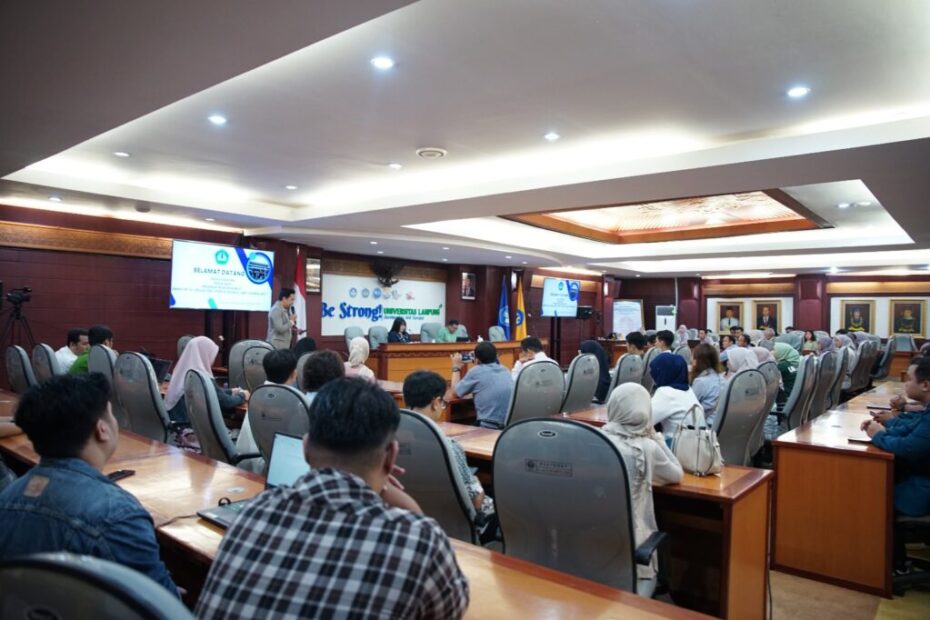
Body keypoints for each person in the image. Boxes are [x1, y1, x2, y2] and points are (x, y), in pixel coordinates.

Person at [196, 378, 470, 619]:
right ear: (390, 457)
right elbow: (449, 610)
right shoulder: (416, 541)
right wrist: (397, 496)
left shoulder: (253, 513)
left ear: (305, 449)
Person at [0, 373, 178, 594]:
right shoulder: (118, 513)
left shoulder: (8, 496)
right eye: (112, 415)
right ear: (102, 429)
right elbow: (159, 602)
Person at [601, 383, 683, 580]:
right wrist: (656, 437)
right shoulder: (646, 448)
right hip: (631, 552)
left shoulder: (594, 440)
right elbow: (677, 474)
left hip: (590, 550)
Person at [403, 371, 496, 535]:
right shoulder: (448, 446)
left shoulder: (390, 439)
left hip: (411, 520)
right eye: (443, 403)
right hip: (454, 528)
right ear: (435, 403)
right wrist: (476, 483)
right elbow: (475, 498)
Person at [861, 357, 930, 572]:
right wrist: (885, 429)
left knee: (875, 497)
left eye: (909, 379)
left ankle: (897, 565)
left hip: (924, 489)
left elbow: (909, 447)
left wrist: (878, 436)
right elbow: (912, 429)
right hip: (920, 476)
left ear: (925, 385)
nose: (905, 384)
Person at [236, 348, 299, 473]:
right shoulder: (292, 400)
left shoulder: (258, 394)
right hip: (271, 468)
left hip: (245, 463)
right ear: (293, 373)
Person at [164, 336, 247, 427]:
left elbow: (212, 393)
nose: (213, 359)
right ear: (204, 354)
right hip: (190, 429)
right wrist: (243, 395)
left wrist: (231, 391)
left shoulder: (182, 371)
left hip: (176, 425)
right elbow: (226, 402)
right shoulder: (201, 376)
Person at [449, 342, 513, 429]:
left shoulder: (476, 372)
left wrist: (455, 367)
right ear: (496, 355)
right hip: (508, 426)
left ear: (477, 358)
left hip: (489, 427)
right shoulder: (505, 370)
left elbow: (454, 392)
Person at [650, 353, 703, 439]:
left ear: (663, 372)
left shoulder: (666, 392)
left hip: (675, 444)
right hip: (695, 442)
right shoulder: (688, 390)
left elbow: (644, 421)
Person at [690, 343, 725, 427]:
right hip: (719, 423)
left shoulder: (701, 381)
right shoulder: (721, 378)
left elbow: (691, 406)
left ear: (697, 360)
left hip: (705, 425)